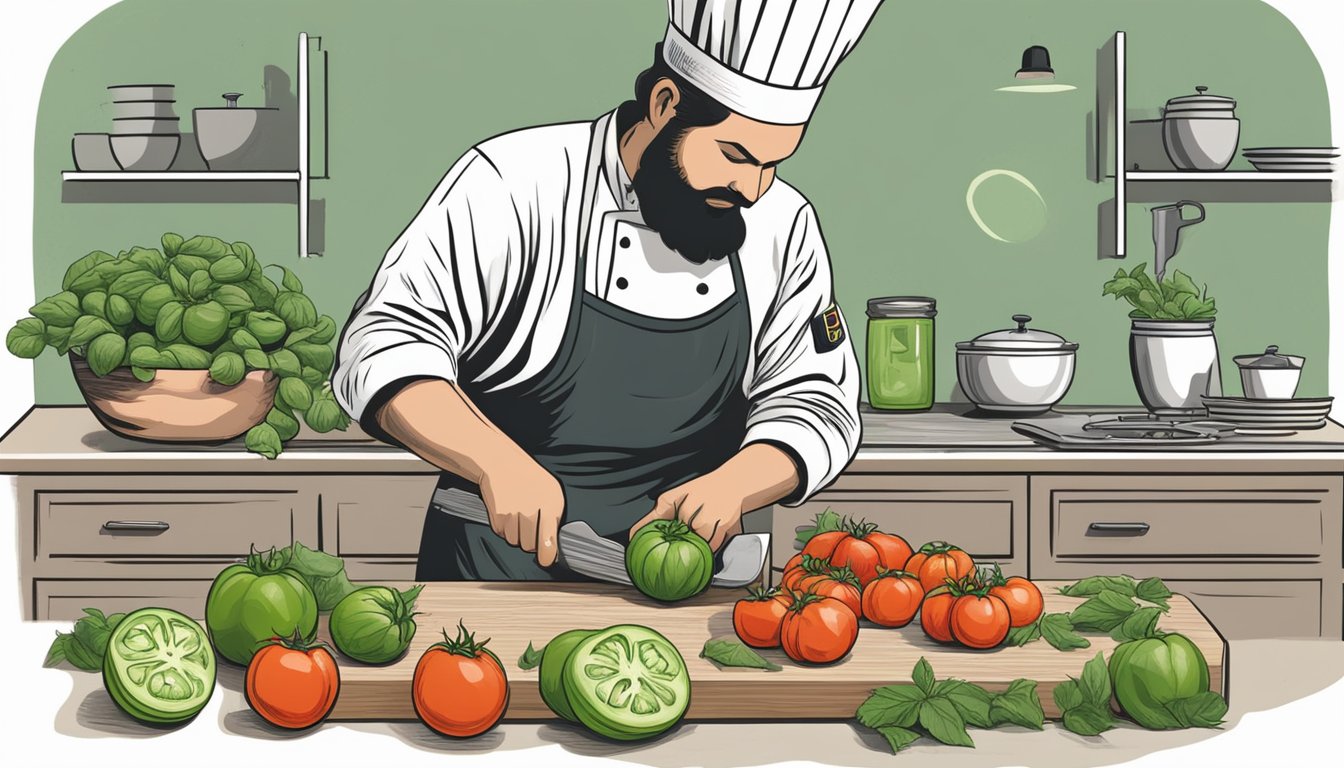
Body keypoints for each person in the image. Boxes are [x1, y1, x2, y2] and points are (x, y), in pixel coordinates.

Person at [332, 0, 882, 580]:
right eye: (734, 155)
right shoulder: (515, 183)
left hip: (688, 596)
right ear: (665, 104)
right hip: (493, 590)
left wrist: (733, 486)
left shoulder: (784, 223)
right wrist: (494, 462)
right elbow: (383, 343)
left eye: (773, 164)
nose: (752, 187)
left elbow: (818, 398)